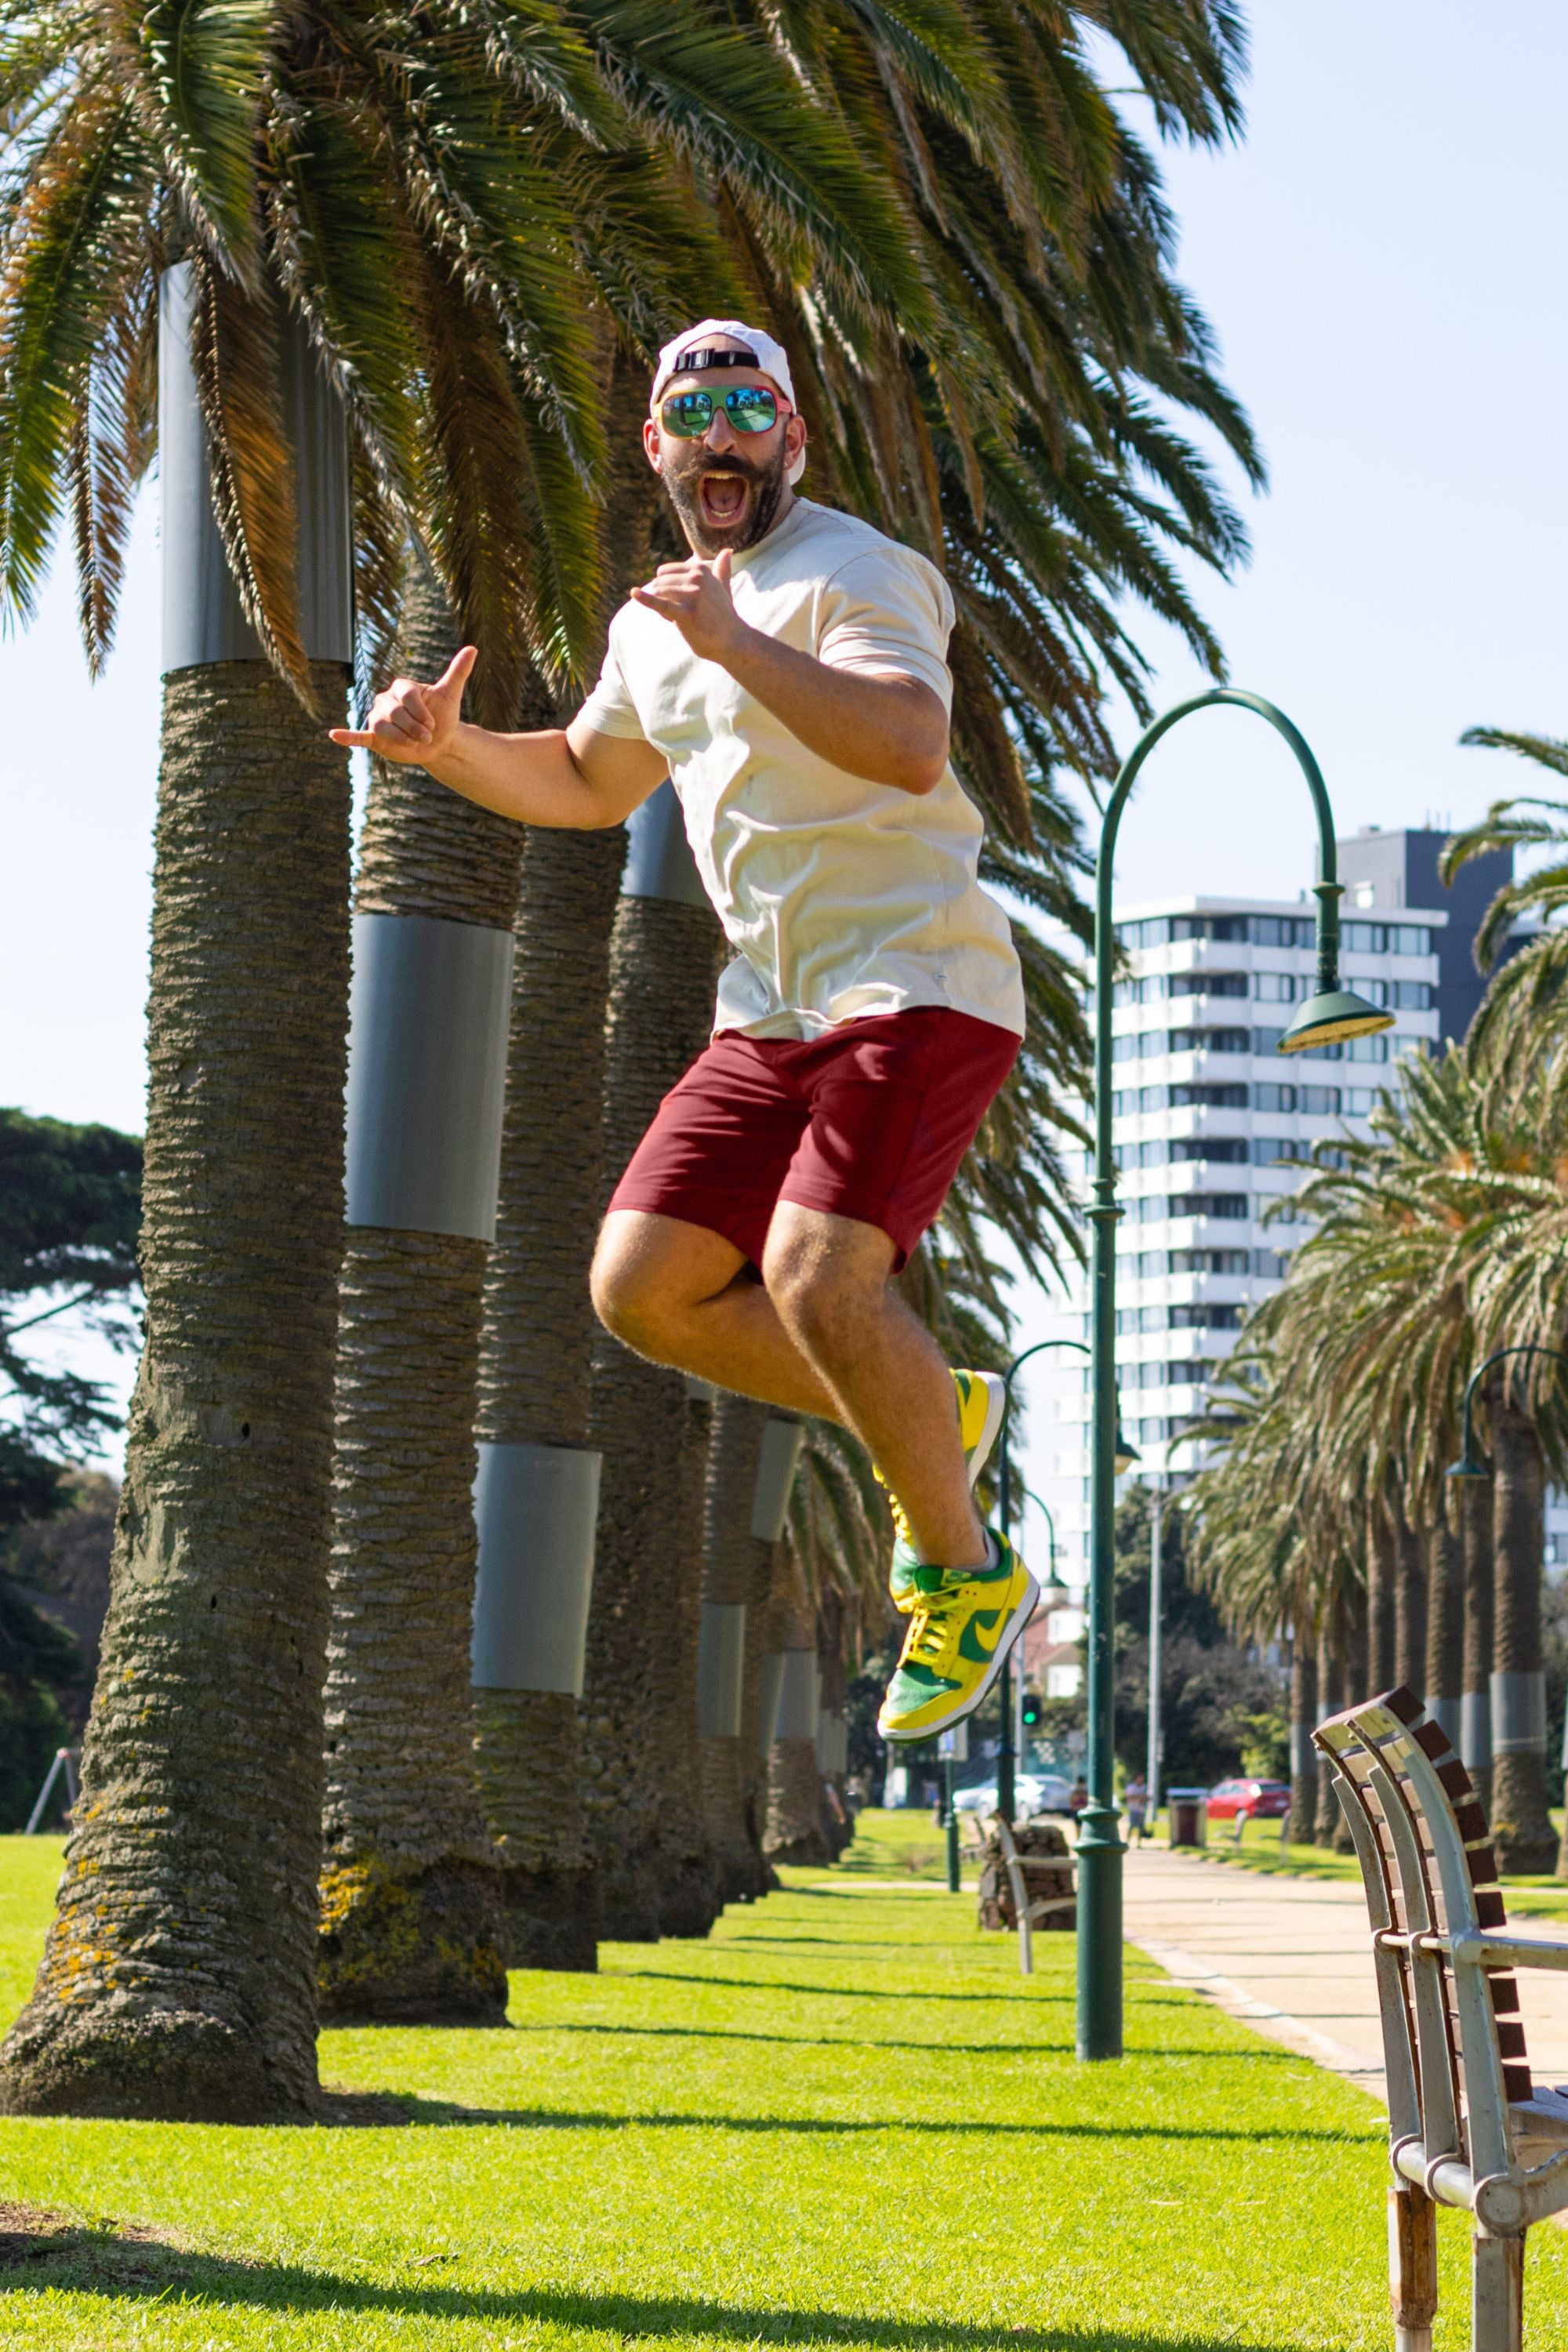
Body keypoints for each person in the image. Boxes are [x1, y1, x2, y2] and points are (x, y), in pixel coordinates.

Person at [332, 318, 1036, 1742]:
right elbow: (593, 782)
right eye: (691, 412)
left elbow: (908, 742)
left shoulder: (856, 571)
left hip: (915, 983)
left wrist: (736, 639)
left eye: (748, 408)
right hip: (771, 1012)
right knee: (640, 1288)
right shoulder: (649, 626)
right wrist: (448, 748)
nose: (721, 433)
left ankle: (964, 1569)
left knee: (816, 1272)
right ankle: (931, 1406)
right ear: (656, 448)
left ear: (791, 439)